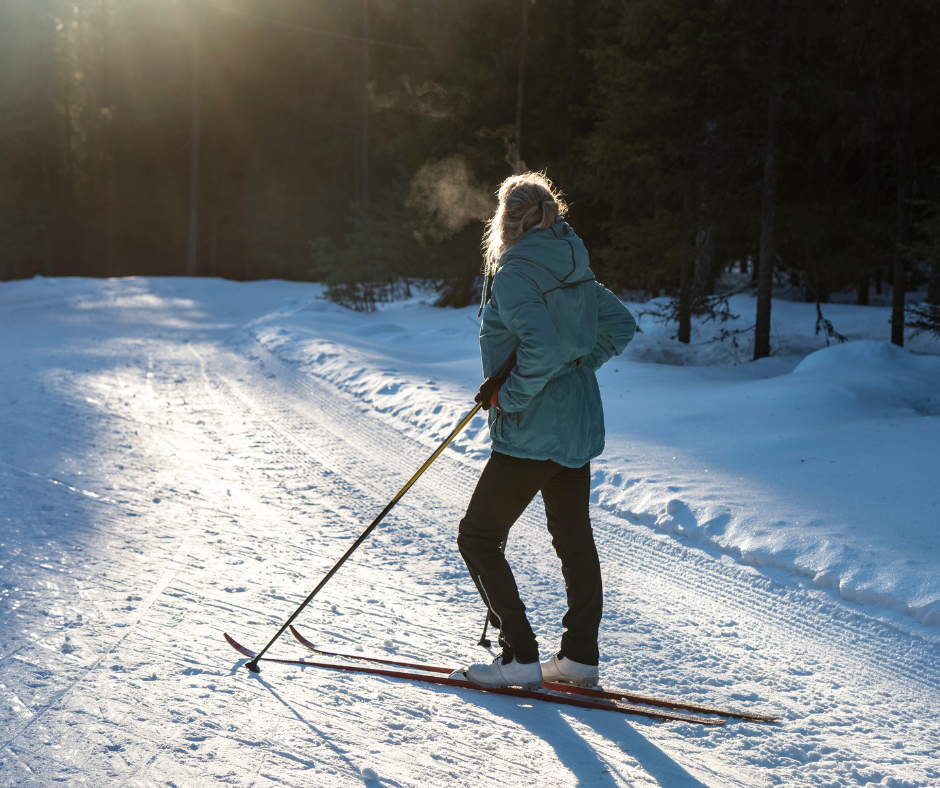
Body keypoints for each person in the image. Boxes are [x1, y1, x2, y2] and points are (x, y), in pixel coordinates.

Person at [458, 172, 637, 691]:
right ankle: (579, 658)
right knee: (573, 538)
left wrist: (506, 398)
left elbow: (539, 350)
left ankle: (519, 656)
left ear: (505, 220)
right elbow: (619, 326)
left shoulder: (515, 272)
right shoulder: (573, 261)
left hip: (534, 427)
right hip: (575, 424)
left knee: (478, 536)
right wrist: (579, 368)